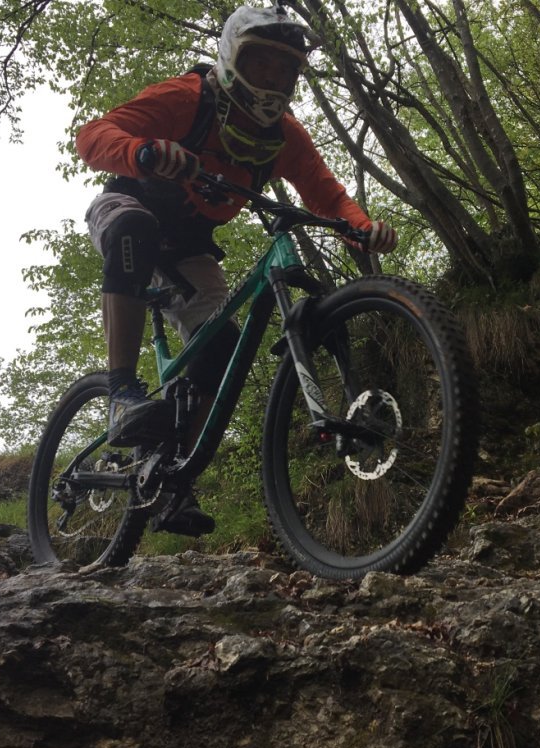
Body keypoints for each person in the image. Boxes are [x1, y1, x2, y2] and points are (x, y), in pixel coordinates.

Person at [76, 3, 397, 537]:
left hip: (191, 244)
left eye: (284, 70)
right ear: (230, 58)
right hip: (128, 204)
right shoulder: (188, 98)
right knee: (135, 229)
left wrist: (362, 227)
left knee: (220, 345)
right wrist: (146, 152)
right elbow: (93, 136)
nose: (272, 80)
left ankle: (172, 479)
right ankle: (121, 392)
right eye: (260, 65)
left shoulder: (285, 137)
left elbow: (327, 194)